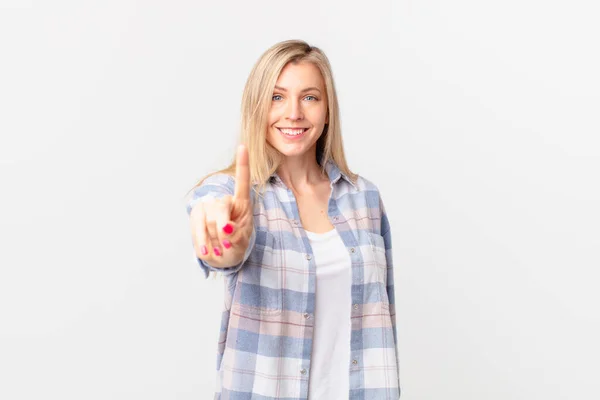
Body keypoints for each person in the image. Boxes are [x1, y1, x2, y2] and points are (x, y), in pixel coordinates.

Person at [186, 39, 400, 399]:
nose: (294, 113)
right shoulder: (233, 194)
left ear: (328, 110)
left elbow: (382, 321)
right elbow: (219, 245)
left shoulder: (365, 198)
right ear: (257, 108)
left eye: (310, 97)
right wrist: (227, 243)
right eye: (277, 96)